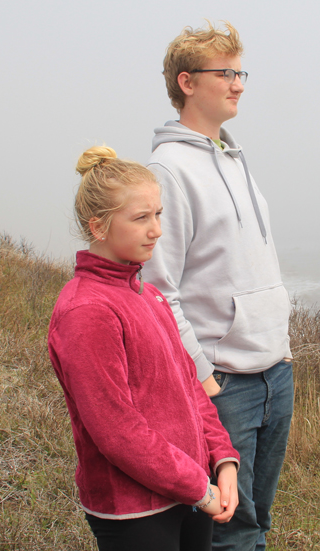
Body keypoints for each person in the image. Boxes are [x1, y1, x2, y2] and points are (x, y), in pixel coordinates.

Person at [142, 22, 294, 551]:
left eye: (239, 72)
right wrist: (203, 378)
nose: (238, 84)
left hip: (275, 372)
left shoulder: (234, 157)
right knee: (229, 530)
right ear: (187, 82)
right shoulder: (168, 169)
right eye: (225, 73)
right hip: (227, 381)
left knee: (259, 522)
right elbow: (159, 291)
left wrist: (283, 350)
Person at [47, 146, 240, 551]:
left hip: (189, 493)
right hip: (135, 510)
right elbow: (117, 431)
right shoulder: (86, 310)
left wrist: (222, 460)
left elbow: (192, 389)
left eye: (158, 214)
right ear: (98, 227)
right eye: (140, 218)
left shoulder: (149, 295)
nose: (157, 230)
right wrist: (199, 489)